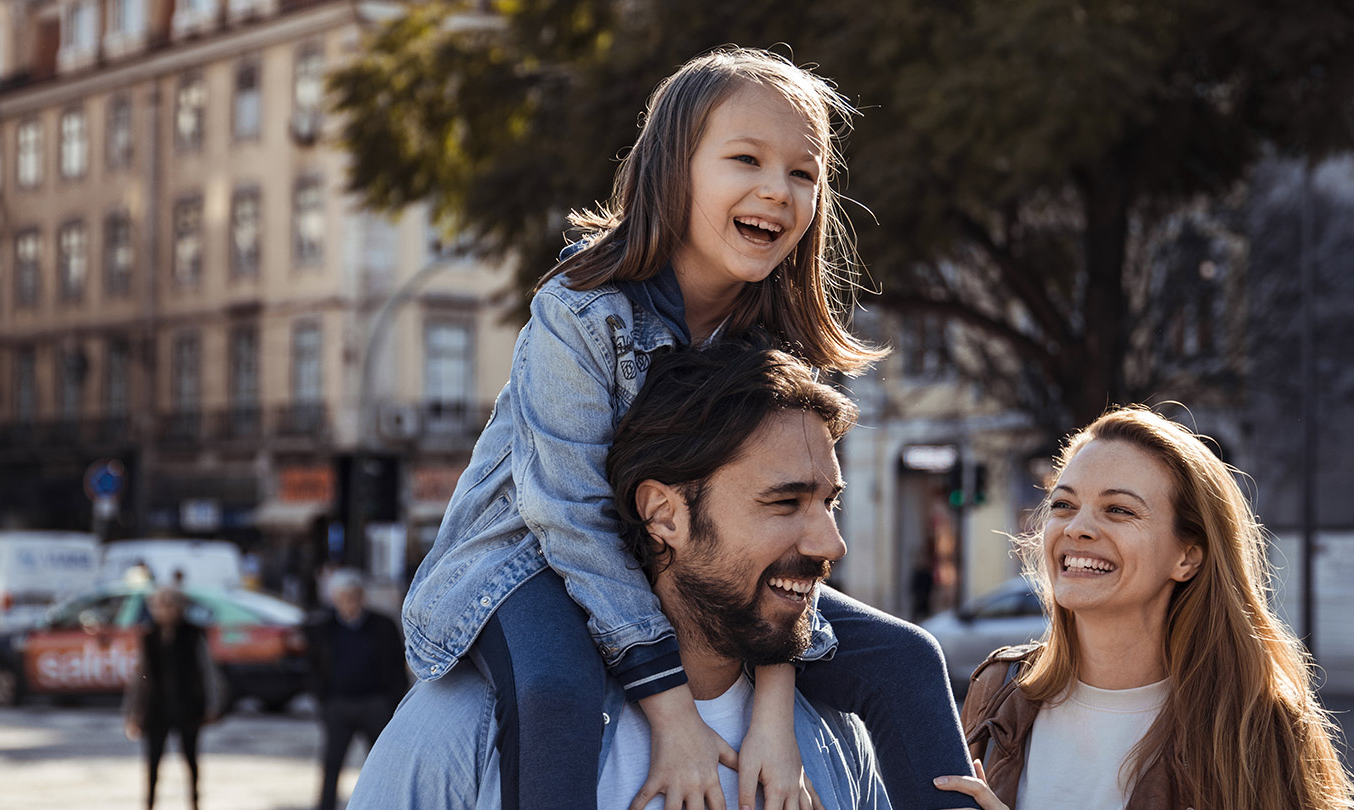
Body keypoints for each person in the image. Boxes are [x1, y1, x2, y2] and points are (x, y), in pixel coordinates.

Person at [397, 48, 975, 810]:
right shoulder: (579, 310)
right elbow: (567, 515)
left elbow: (778, 568)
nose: (778, 190)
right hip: (530, 564)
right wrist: (672, 715)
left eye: (804, 174)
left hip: (686, 571)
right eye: (747, 159)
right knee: (561, 689)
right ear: (673, 170)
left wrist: (773, 710)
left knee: (908, 658)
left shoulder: (774, 340)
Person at [354, 343, 890, 810]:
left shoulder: (832, 738)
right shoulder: (467, 728)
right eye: (785, 502)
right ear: (663, 514)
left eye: (829, 503)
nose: (830, 544)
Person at [935, 406, 1354, 810]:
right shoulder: (998, 690)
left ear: (1187, 556)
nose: (1078, 528)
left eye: (1119, 510)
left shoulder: (1256, 724)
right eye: (1063, 504)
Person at [308, 570, 409, 810]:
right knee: (332, 765)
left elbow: (398, 664)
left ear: (361, 597)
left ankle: (387, 804)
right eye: (342, 598)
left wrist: (391, 700)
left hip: (375, 703)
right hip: (338, 705)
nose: (348, 603)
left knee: (381, 764)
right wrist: (323, 700)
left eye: (352, 597)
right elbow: (313, 666)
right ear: (334, 599)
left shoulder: (382, 625)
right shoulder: (324, 627)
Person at [122, 586, 224, 810]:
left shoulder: (193, 633)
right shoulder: (149, 636)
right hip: (156, 707)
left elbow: (207, 670)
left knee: (190, 758)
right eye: (159, 605)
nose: (164, 610)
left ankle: (194, 802)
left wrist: (213, 704)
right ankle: (149, 803)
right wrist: (132, 711)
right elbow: (140, 676)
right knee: (153, 761)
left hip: (187, 705)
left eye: (169, 605)